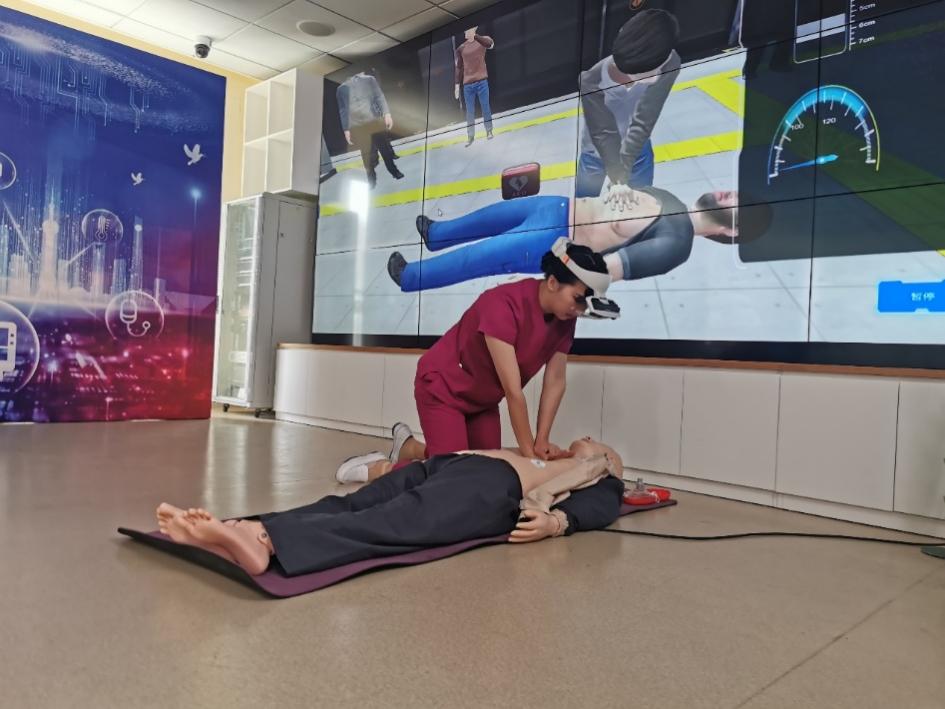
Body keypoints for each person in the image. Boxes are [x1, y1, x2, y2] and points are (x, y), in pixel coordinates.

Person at [155, 438, 626, 577]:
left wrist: (558, 522)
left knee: (394, 521)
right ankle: (249, 528)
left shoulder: (599, 471)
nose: (582, 438)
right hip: (449, 466)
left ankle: (268, 545)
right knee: (349, 503)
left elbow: (605, 501)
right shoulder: (555, 459)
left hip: (491, 485)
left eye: (593, 441)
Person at [386, 188, 772, 293]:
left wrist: (556, 263)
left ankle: (412, 277)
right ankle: (437, 235)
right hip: (557, 206)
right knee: (486, 218)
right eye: (737, 192)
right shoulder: (669, 198)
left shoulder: (675, 244)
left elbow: (601, 273)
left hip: (554, 236)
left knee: (478, 257)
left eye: (737, 203)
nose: (729, 193)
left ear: (731, 232)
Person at [577, 10, 681, 206]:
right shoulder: (591, 80)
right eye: (649, 72)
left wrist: (620, 176)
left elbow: (644, 120)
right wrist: (618, 178)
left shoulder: (669, 61)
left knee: (642, 207)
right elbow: (603, 132)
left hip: (638, 150)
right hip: (595, 153)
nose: (656, 78)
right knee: (583, 208)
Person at [337, 71, 404, 188]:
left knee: (384, 149)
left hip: (374, 121)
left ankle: (394, 171)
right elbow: (343, 110)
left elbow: (379, 96)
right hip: (358, 126)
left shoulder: (369, 79)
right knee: (365, 154)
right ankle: (371, 180)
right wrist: (346, 129)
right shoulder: (341, 89)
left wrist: (387, 114)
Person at [455, 26, 496, 147]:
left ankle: (489, 130)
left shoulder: (482, 40)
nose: (465, 32)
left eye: (467, 30)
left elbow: (490, 45)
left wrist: (476, 36)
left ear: (473, 29)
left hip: (482, 82)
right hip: (468, 85)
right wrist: (456, 85)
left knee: (485, 107)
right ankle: (470, 136)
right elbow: (458, 67)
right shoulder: (461, 48)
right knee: (470, 112)